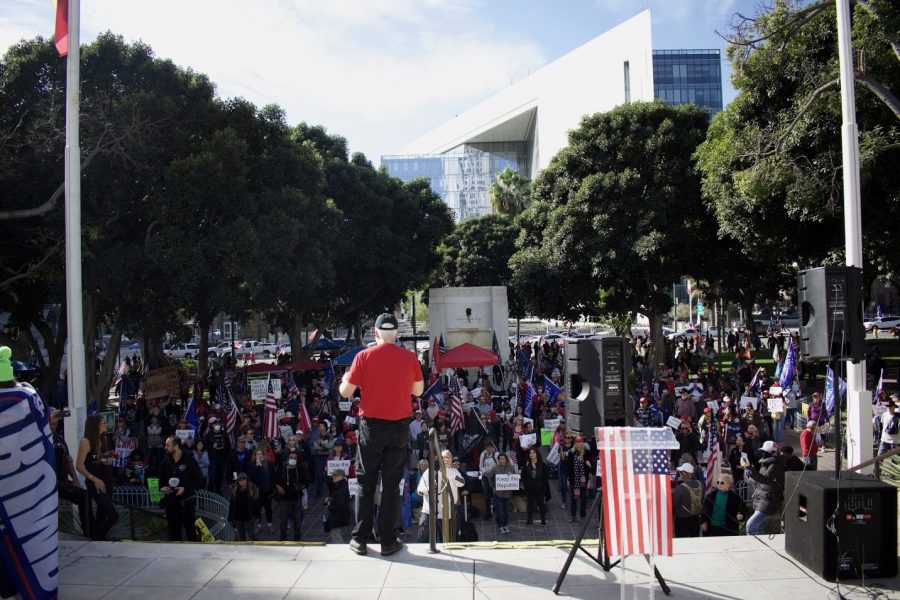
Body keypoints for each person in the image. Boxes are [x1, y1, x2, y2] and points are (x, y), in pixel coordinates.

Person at [339, 313, 424, 557]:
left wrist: (346, 377)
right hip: (398, 428)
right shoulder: (409, 357)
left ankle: (360, 539)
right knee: (391, 486)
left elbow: (345, 392)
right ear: (396, 334)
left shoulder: (363, 356)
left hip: (371, 428)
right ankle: (388, 540)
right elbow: (417, 391)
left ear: (375, 333)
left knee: (366, 483)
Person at [75, 414, 120, 540]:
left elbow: (98, 460)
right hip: (95, 482)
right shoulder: (86, 442)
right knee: (113, 515)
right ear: (95, 425)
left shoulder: (103, 439)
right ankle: (96, 538)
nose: (106, 424)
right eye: (103, 422)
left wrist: (108, 459)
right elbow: (79, 465)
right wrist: (93, 479)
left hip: (107, 479)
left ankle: (100, 539)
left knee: (103, 514)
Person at [50, 407, 90, 537]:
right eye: (52, 416)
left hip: (61, 482)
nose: (55, 419)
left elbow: (68, 460)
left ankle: (89, 533)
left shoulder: (59, 438)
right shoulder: (40, 436)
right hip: (46, 482)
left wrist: (75, 479)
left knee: (83, 496)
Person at [158, 435, 203, 541]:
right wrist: (162, 488)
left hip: (186, 503)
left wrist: (185, 489)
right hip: (171, 503)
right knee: (174, 532)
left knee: (191, 532)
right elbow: (161, 480)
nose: (165, 447)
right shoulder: (165, 462)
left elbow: (199, 481)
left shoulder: (190, 461)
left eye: (168, 445)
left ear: (176, 446)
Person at [416, 449, 465, 542]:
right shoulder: (429, 471)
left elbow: (462, 483)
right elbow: (419, 490)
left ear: (451, 459)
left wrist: (448, 472)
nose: (446, 460)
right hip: (429, 512)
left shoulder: (455, 472)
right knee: (422, 540)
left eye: (448, 457)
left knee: (447, 542)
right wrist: (429, 489)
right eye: (443, 458)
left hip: (448, 513)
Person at [742, 440, 785, 536]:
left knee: (751, 525)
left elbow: (765, 478)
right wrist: (747, 471)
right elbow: (757, 480)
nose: (763, 454)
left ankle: (755, 546)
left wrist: (750, 469)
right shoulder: (765, 464)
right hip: (760, 497)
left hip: (769, 500)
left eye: (766, 452)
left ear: (774, 452)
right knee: (758, 527)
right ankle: (758, 548)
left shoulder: (775, 465)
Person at [275, 449, 309, 541]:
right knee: (283, 521)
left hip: (296, 498)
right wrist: (279, 487)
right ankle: (283, 539)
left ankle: (297, 540)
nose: (293, 459)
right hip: (284, 499)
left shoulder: (300, 469)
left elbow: (307, 482)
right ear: (287, 459)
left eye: (295, 458)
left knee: (297, 521)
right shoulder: (282, 469)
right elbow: (274, 480)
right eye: (291, 458)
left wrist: (301, 486)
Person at [565, 436, 592, 522]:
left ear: (583, 443)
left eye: (580, 443)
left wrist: (588, 464)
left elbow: (590, 467)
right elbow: (568, 467)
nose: (578, 445)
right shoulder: (572, 453)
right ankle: (573, 516)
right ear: (575, 444)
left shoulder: (587, 453)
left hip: (583, 480)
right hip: (574, 479)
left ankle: (582, 516)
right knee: (573, 498)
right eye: (577, 443)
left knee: (583, 499)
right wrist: (569, 478)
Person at [672, 463, 702, 538]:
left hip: (682, 519)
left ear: (685, 474)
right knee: (694, 540)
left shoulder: (680, 487)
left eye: (681, 472)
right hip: (695, 518)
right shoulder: (700, 484)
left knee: (681, 542)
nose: (679, 474)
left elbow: (675, 504)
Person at [488, 453, 517, 534]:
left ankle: (505, 524)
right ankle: (501, 525)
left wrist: (511, 476)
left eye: (503, 459)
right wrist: (494, 487)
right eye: (500, 459)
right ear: (498, 460)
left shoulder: (510, 467)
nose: (502, 460)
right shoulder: (495, 468)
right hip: (498, 493)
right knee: (500, 510)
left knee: (506, 511)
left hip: (507, 493)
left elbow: (515, 476)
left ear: (506, 459)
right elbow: (490, 478)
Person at [228, 473, 259, 541]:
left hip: (249, 517)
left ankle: (260, 547)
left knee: (251, 534)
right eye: (240, 480)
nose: (242, 481)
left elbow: (257, 505)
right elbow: (232, 505)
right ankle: (244, 550)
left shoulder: (252, 490)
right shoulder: (235, 492)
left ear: (247, 480)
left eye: (244, 479)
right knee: (242, 536)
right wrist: (230, 518)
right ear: (238, 482)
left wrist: (257, 515)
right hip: (238, 518)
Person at [324, 469, 352, 542]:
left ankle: (341, 553)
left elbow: (341, 505)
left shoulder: (341, 488)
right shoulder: (339, 486)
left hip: (338, 517)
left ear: (342, 477)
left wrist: (329, 507)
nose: (333, 477)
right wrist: (330, 499)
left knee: (336, 538)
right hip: (338, 516)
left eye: (336, 475)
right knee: (336, 536)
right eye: (333, 475)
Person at [522, 447, 548, 526]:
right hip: (530, 488)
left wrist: (543, 488)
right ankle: (529, 519)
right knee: (530, 504)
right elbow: (523, 476)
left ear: (537, 454)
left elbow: (545, 478)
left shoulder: (542, 465)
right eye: (530, 453)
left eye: (533, 453)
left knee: (541, 504)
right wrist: (526, 485)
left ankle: (543, 519)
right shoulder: (527, 465)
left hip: (539, 488)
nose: (532, 454)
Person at [478, 439, 499, 520]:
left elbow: (498, 465)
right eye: (487, 448)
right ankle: (488, 513)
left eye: (490, 448)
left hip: (494, 477)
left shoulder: (496, 454)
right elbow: (480, 466)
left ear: (492, 447)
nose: (489, 450)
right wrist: (485, 471)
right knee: (487, 495)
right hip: (485, 477)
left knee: (495, 495)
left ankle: (497, 513)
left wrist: (492, 471)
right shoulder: (483, 454)